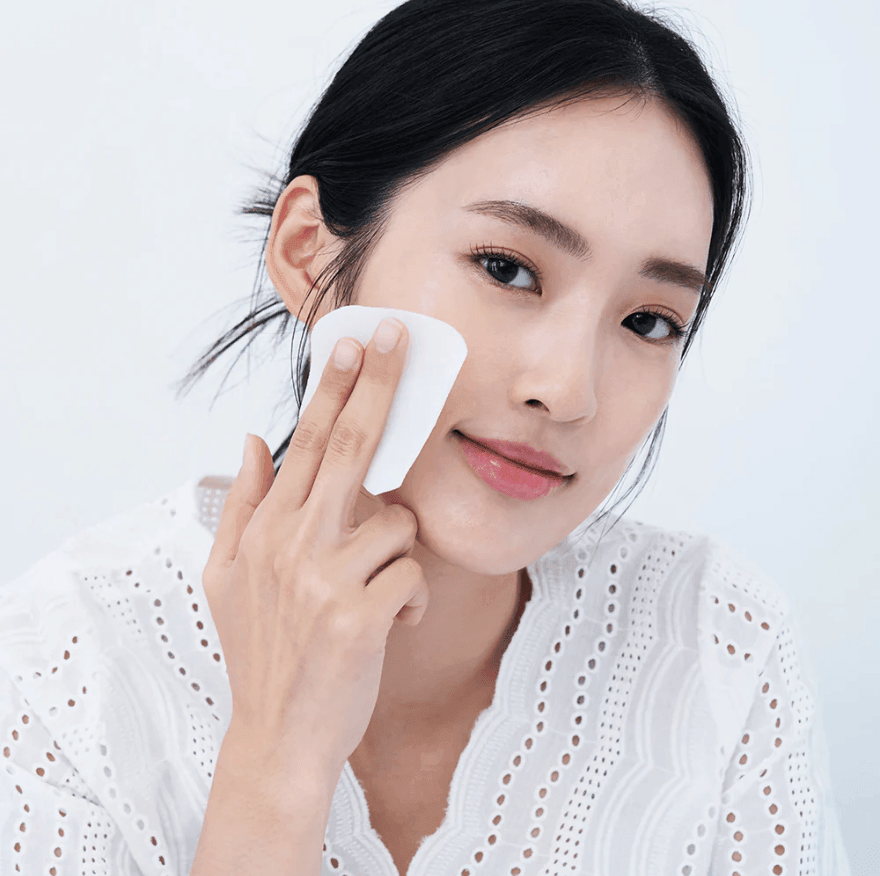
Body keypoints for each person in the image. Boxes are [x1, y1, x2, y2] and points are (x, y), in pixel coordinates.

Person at [0, 1, 851, 874]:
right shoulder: (62, 673)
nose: (568, 390)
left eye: (649, 321)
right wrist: (276, 765)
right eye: (506, 268)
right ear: (306, 253)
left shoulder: (718, 648)